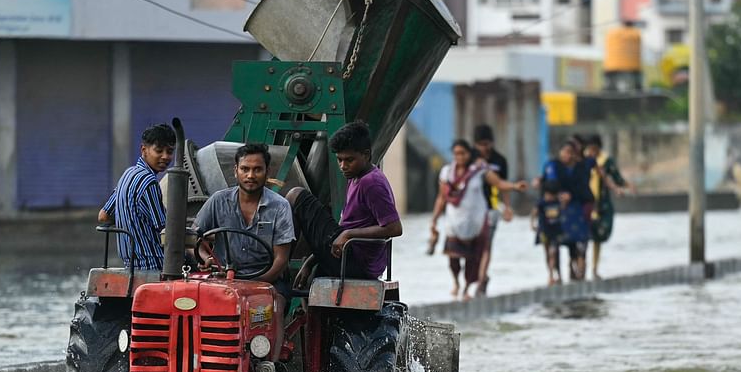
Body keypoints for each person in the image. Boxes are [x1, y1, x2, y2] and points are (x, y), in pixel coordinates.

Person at [285, 120, 403, 282]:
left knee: (295, 195)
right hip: (348, 254)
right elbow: (342, 228)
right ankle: (285, 263)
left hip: (357, 262)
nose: (343, 166)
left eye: (349, 160)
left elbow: (394, 228)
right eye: (339, 160)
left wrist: (348, 234)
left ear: (366, 155)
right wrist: (310, 262)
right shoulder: (355, 176)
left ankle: (281, 264)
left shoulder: (371, 183)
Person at [430, 139, 528, 300]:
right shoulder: (447, 172)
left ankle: (467, 289)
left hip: (475, 222)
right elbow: (441, 198)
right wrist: (433, 219)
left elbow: (498, 183)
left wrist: (515, 187)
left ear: (469, 154)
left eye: (463, 153)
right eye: (456, 154)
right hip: (453, 222)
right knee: (452, 258)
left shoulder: (480, 170)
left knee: (472, 259)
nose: (460, 157)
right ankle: (456, 283)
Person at [194, 143, 295, 292]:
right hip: (223, 279)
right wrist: (205, 259)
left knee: (275, 308)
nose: (250, 176)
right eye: (245, 169)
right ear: (236, 171)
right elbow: (196, 241)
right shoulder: (218, 201)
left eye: (257, 170)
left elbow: (281, 259)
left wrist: (255, 284)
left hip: (267, 281)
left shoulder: (280, 206)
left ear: (268, 172)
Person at [99, 123, 176, 271]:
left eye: (170, 151)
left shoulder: (127, 174)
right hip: (154, 264)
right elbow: (165, 230)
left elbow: (103, 216)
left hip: (131, 264)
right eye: (159, 150)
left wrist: (132, 218)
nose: (165, 157)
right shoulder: (149, 182)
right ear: (144, 150)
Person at [540, 139, 593, 281]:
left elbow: (584, 188)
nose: (567, 155)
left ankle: (577, 271)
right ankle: (555, 275)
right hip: (556, 211)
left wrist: (572, 196)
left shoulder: (581, 168)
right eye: (564, 152)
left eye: (570, 153)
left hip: (576, 210)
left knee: (578, 244)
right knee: (553, 244)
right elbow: (548, 185)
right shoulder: (553, 166)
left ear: (575, 155)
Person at [583, 133, 633, 280]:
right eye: (589, 149)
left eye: (593, 149)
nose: (591, 152)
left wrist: (624, 186)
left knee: (598, 236)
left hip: (601, 203)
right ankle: (581, 268)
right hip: (585, 202)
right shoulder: (583, 160)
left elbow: (614, 177)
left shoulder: (606, 161)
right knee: (583, 236)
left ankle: (594, 268)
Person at [472, 123, 513, 296]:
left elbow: (503, 185)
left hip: (492, 208)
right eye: (481, 144)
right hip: (472, 210)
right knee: (473, 247)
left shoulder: (500, 161)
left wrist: (508, 207)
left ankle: (481, 281)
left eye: (487, 143)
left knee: (487, 245)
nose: (484, 147)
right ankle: (480, 277)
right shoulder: (470, 158)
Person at [531, 179, 564, 285]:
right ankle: (550, 274)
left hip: (555, 232)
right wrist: (532, 224)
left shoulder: (557, 201)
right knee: (547, 254)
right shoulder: (542, 203)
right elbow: (534, 213)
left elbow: (563, 211)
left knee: (553, 253)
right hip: (544, 232)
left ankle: (556, 275)